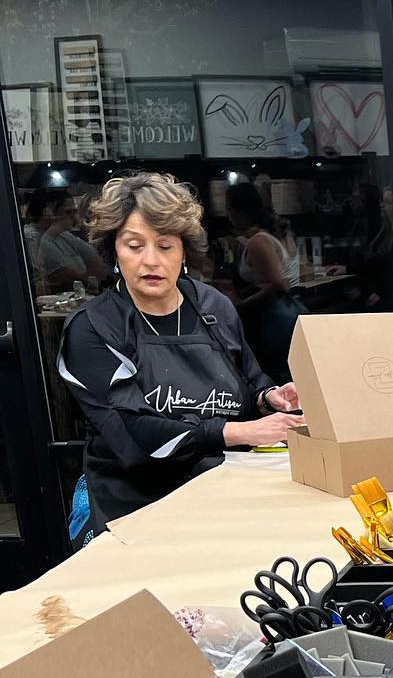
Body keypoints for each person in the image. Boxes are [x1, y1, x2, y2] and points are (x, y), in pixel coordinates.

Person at [57, 172, 303, 530]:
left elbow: (248, 387)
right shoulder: (94, 326)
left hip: (228, 499)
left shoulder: (213, 308)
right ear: (114, 252)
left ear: (184, 250)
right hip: (137, 512)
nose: (151, 261)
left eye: (165, 245)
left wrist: (269, 399)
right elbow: (131, 432)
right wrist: (235, 433)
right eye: (134, 245)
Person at [226, 181, 305, 383]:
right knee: (294, 372)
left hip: (274, 317)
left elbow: (278, 283)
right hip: (293, 309)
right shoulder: (280, 234)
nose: (228, 215)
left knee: (279, 375)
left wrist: (240, 304)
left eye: (229, 208)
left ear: (239, 211)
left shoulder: (259, 241)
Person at [24, 187, 105, 292]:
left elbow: (96, 259)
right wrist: (89, 279)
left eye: (74, 212)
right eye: (68, 212)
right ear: (48, 213)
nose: (73, 217)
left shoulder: (64, 235)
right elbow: (65, 276)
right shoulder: (31, 237)